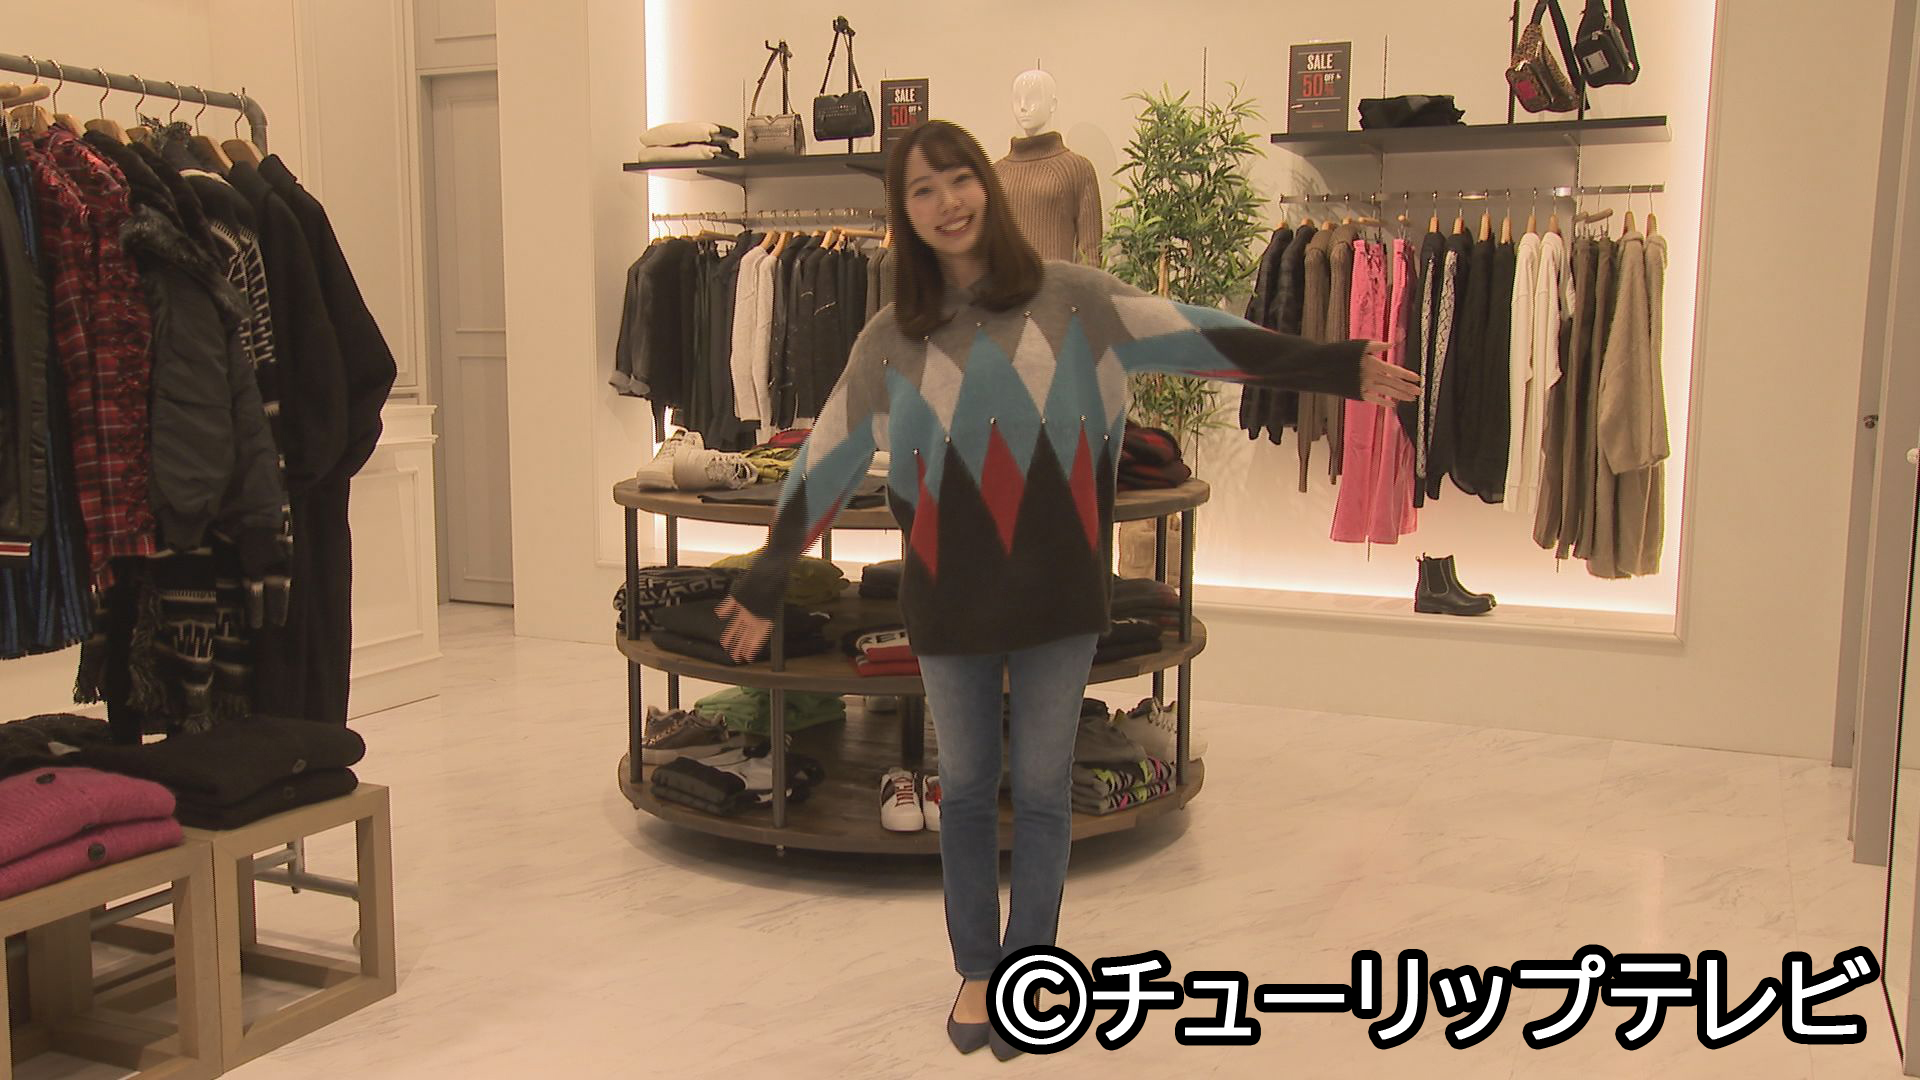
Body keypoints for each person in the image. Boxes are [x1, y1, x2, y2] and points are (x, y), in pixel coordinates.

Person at [717, 119, 1420, 1059]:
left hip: (1059, 594)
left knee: (1045, 792)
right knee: (968, 791)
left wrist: (1336, 366)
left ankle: (1031, 972)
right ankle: (978, 968)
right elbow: (828, 458)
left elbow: (1205, 337)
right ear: (903, 213)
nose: (947, 202)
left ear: (987, 183)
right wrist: (768, 577)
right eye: (922, 190)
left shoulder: (1080, 301)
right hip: (949, 604)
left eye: (958, 179)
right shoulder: (891, 338)